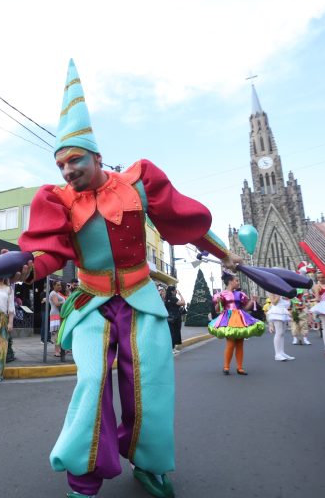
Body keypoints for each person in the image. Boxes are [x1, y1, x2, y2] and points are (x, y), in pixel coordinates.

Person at [18, 59, 242, 498]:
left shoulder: (138, 182)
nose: (67, 171)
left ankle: (150, 464)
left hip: (141, 297)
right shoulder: (58, 199)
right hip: (91, 302)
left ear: (96, 156)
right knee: (90, 383)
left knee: (151, 382)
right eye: (61, 164)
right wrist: (31, 267)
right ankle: (83, 478)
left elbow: (189, 225)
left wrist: (225, 254)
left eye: (75, 160)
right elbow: (47, 251)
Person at [208, 272, 266, 375]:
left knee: (240, 343)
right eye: (236, 280)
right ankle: (226, 367)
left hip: (240, 317)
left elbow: (245, 308)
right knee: (230, 343)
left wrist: (252, 301)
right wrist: (219, 302)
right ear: (230, 281)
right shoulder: (222, 294)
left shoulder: (240, 294)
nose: (238, 283)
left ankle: (240, 368)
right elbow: (217, 309)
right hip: (229, 318)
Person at [267, 293, 294, 361]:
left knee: (282, 333)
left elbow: (287, 302)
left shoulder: (283, 291)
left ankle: (281, 352)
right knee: (279, 332)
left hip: (283, 311)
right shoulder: (271, 291)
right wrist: (279, 294)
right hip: (276, 312)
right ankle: (277, 354)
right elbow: (274, 302)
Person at [163, 285, 186, 355]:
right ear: (172, 291)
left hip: (169, 318)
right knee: (174, 334)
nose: (176, 291)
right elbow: (183, 302)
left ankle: (172, 348)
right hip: (175, 318)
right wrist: (180, 294)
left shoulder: (166, 298)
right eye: (175, 290)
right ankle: (172, 349)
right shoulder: (173, 298)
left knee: (171, 333)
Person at [48, 280, 65, 357]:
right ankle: (56, 351)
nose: (60, 286)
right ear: (53, 286)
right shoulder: (53, 293)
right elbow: (57, 304)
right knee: (57, 333)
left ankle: (59, 350)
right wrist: (64, 302)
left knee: (59, 332)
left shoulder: (57, 293)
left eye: (60, 285)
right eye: (58, 285)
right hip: (55, 313)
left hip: (58, 313)